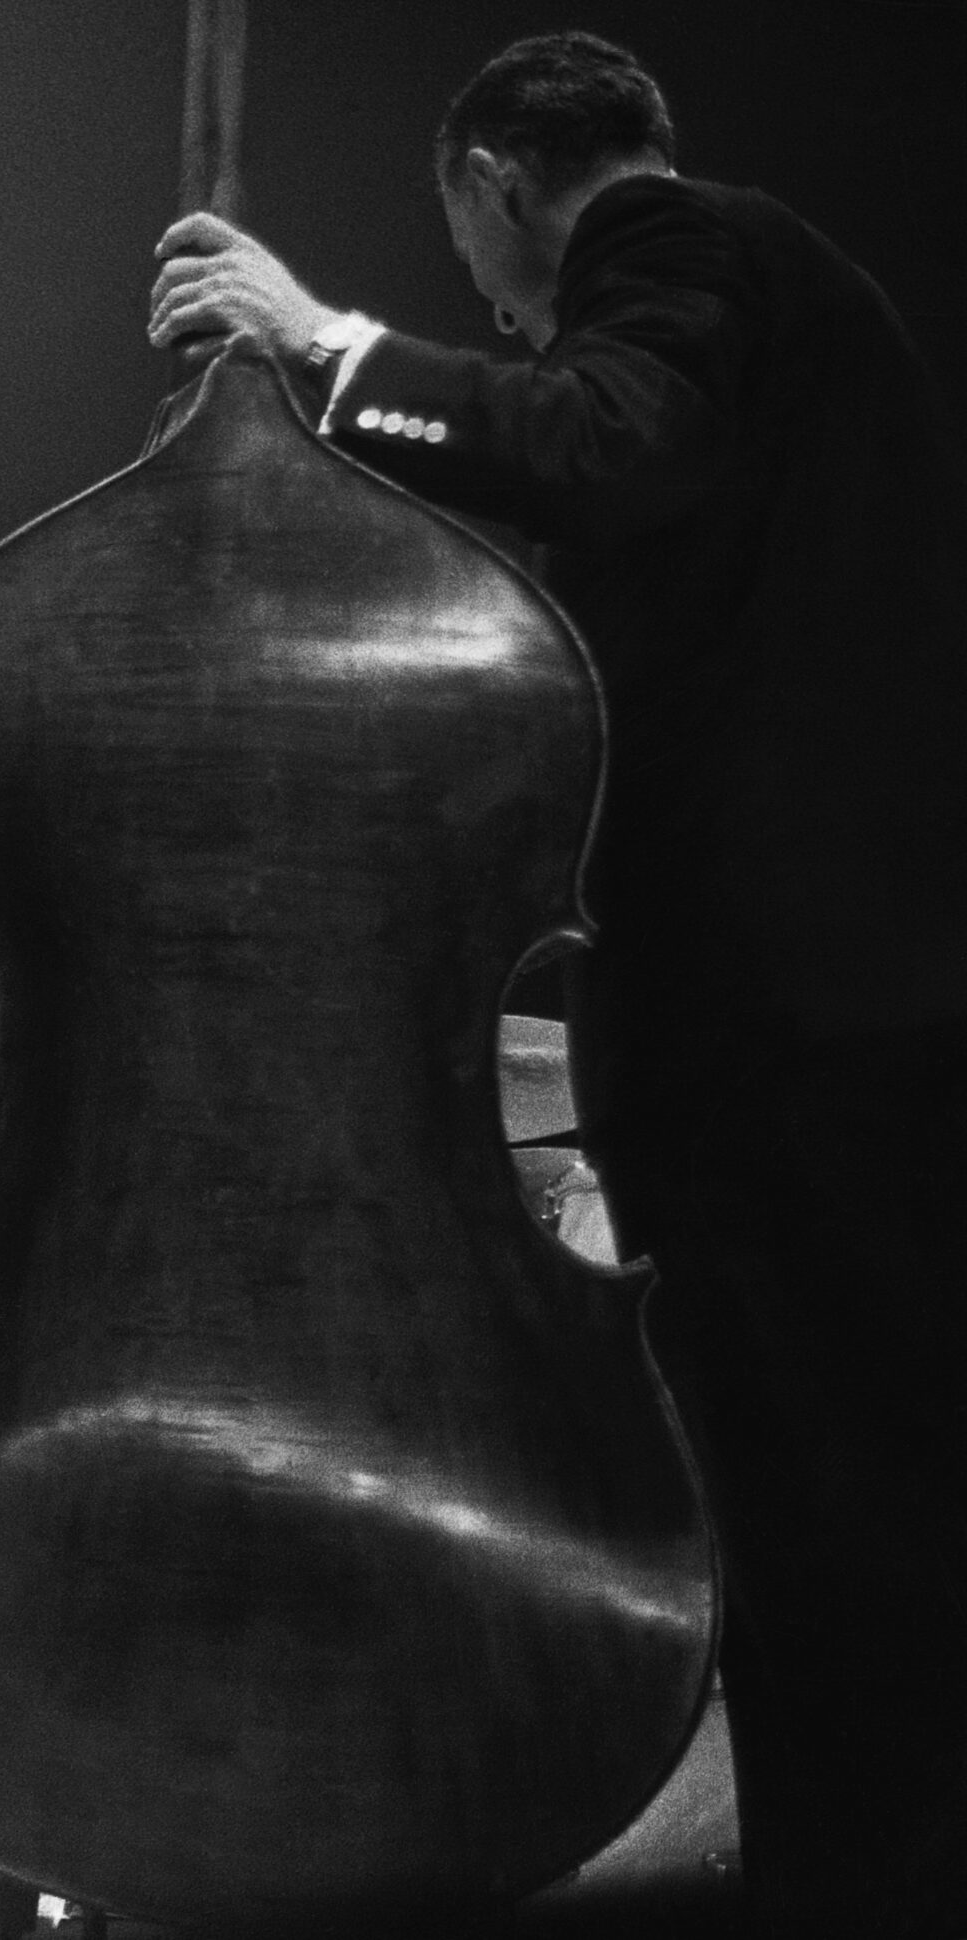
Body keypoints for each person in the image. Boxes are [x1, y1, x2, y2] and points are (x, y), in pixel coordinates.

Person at [146, 31, 966, 1938]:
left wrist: (321, 340)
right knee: (831, 1524)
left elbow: (610, 445)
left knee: (834, 1524)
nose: (497, 318)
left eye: (479, 268)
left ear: (503, 189)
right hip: (821, 1017)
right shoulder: (773, 315)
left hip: (794, 1031)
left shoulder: (684, 256)